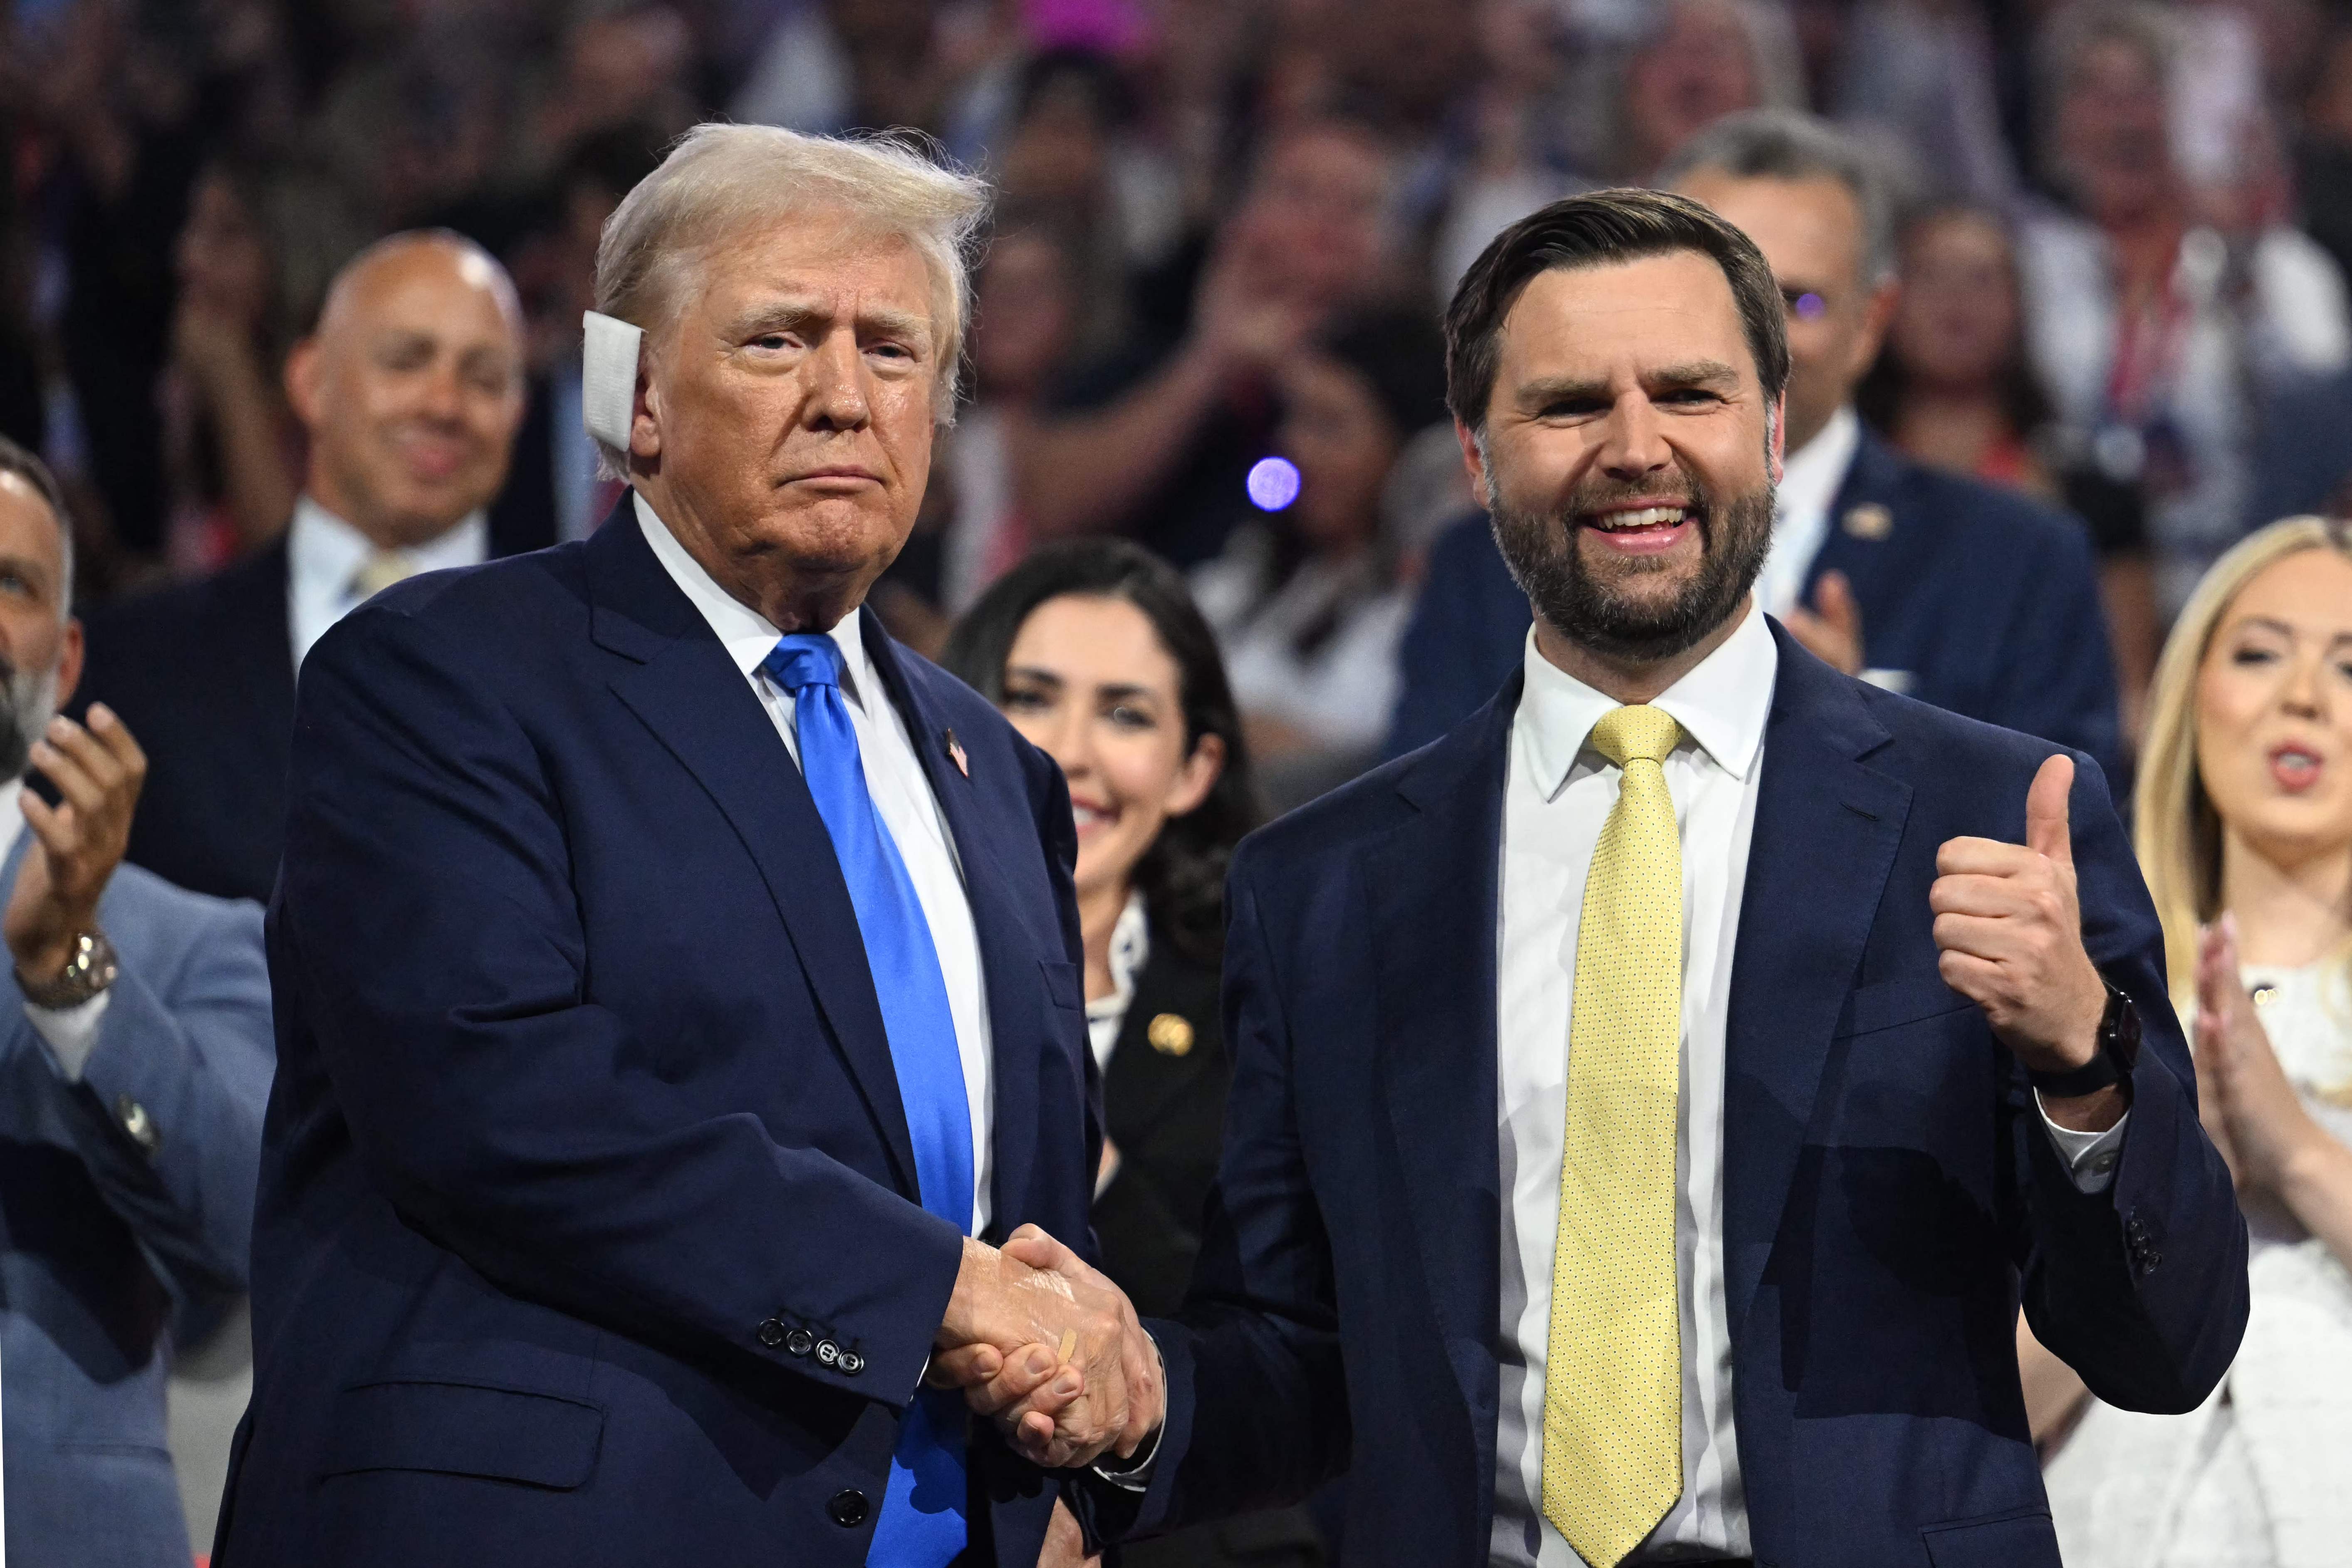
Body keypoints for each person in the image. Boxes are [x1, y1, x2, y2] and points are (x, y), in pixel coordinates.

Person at [1000, 187, 2247, 1565]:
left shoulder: (1993, 814)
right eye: (1570, 403)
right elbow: (1301, 1370)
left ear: (1772, 430)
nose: (1634, 448)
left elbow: (2166, 1343)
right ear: (1475, 457)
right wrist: (1127, 1401)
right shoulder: (1322, 887)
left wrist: (2082, 1065)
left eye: (1688, 394)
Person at [214, 124, 1160, 1568]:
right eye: (780, 341)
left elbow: (1029, 1222)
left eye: (894, 353)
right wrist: (947, 1296)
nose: (846, 397)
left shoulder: (996, 773)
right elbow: (502, 1106)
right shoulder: (439, 675)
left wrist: (1073, 1450)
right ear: (637, 399)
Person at [1386, 111, 2124, 786]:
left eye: (1796, 300)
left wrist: (1856, 741)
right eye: (1715, 298)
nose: (1752, 338)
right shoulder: (1482, 565)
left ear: (1871, 323)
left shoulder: (2017, 562)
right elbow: (1416, 852)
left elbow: (2062, 869)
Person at [944, 540, 1322, 1568]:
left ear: (1195, 765)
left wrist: (1072, 1134)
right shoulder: (874, 970)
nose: (1071, 751)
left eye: (1125, 713)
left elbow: (1281, 1339)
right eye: (1031, 696)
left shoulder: (1268, 1001)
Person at [2027, 516, 2352, 1566]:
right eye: (2257, 652)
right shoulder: (2070, 1007)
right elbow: (1984, 1400)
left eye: (2348, 666)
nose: (2298, 695)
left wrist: (2295, 1151)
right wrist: (2163, 1156)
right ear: (2187, 692)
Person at [76, 230, 542, 905]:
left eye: (484, 377)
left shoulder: (595, 671)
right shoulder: (129, 666)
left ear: (517, 412)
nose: (443, 405)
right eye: (406, 361)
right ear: (309, 381)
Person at [0, 438, 274, 1566]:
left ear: (65, 662)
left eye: (8, 584)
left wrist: (69, 974)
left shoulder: (188, 940)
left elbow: (242, 1230)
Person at [2017, 1, 2351, 619]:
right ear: (2056, 119)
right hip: (2064, 580)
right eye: (2094, 93)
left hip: (2238, 577)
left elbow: (2326, 433)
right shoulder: (2026, 265)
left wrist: (2249, 291)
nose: (2124, 119)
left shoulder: (2280, 267)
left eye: (2145, 92)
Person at [1854, 204, 2161, 745]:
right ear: (1884, 305)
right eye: (1930, 275)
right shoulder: (1828, 483)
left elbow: (2129, 699)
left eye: (1982, 279)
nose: (1957, 300)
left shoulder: (2094, 499)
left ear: (2020, 306)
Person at [1190, 308, 1446, 804]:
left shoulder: (1418, 608)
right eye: (1292, 419)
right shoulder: (1261, 567)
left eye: (1328, 426)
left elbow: (1364, 764)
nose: (1294, 448)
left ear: (1407, 452)